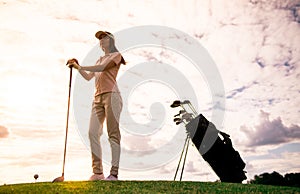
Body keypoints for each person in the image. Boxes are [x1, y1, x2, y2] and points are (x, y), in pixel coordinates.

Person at [67, 31, 125, 181]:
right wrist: (77, 66)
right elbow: (88, 77)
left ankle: (114, 173)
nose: (101, 40)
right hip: (97, 98)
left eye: (104, 37)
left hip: (112, 97)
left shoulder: (116, 56)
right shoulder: (99, 59)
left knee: (113, 134)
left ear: (110, 40)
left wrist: (80, 66)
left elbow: (102, 69)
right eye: (100, 39)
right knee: (92, 132)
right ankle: (98, 172)